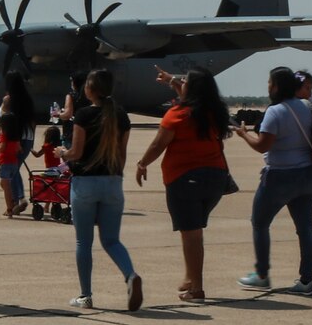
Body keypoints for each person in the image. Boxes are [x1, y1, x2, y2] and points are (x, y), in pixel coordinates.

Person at [135, 67, 232, 301]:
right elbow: (192, 103)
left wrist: (142, 163)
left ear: (192, 88)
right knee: (192, 230)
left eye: (185, 81)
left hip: (186, 179)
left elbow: (158, 145)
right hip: (216, 179)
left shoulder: (177, 114)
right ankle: (190, 277)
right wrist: (173, 82)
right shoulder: (215, 112)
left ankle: (196, 288)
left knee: (192, 234)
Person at [233, 66, 312, 297]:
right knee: (306, 228)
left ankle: (262, 276)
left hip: (280, 177)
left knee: (260, 223)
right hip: (308, 175)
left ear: (277, 86)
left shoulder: (275, 112)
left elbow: (263, 145)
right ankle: (306, 281)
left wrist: (244, 135)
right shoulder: (306, 108)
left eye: (270, 83)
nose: (268, 86)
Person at [64, 67, 140, 311]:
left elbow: (76, 152)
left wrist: (61, 154)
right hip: (112, 182)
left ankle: (86, 295)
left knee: (83, 243)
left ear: (90, 89)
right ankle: (130, 275)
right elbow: (122, 155)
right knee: (111, 240)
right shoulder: (121, 116)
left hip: (85, 182)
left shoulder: (84, 115)